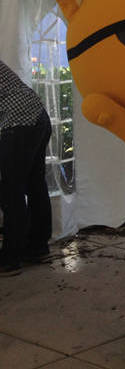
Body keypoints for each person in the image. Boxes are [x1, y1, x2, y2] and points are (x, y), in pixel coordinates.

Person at [0, 59, 53, 277]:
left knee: (11, 190)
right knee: (34, 185)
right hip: (39, 117)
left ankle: (10, 258)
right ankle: (38, 247)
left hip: (18, 124)